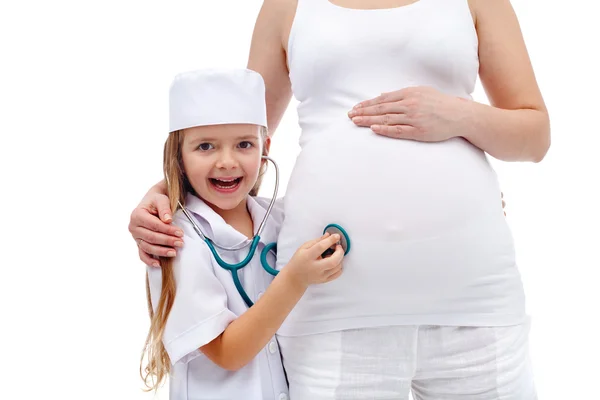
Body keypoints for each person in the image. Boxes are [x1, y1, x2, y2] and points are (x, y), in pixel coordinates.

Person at [131, 0, 549, 398]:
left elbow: (535, 137)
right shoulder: (286, 6)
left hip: (475, 303)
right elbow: (237, 135)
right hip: (329, 313)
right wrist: (163, 194)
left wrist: (459, 115)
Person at [140, 68, 344, 400]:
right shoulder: (178, 242)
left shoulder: (277, 218)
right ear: (178, 156)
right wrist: (294, 279)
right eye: (205, 146)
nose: (226, 161)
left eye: (244, 144)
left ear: (264, 148)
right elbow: (228, 353)